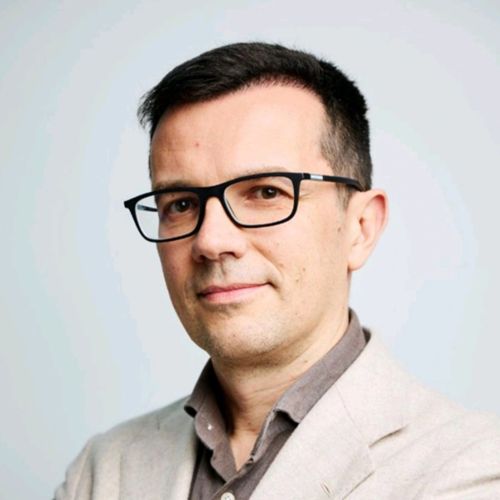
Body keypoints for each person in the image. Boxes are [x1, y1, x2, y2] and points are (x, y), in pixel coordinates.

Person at [55, 42, 500, 499]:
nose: (211, 242)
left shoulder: (475, 470)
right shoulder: (101, 472)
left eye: (266, 193)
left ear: (360, 228)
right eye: (182, 204)